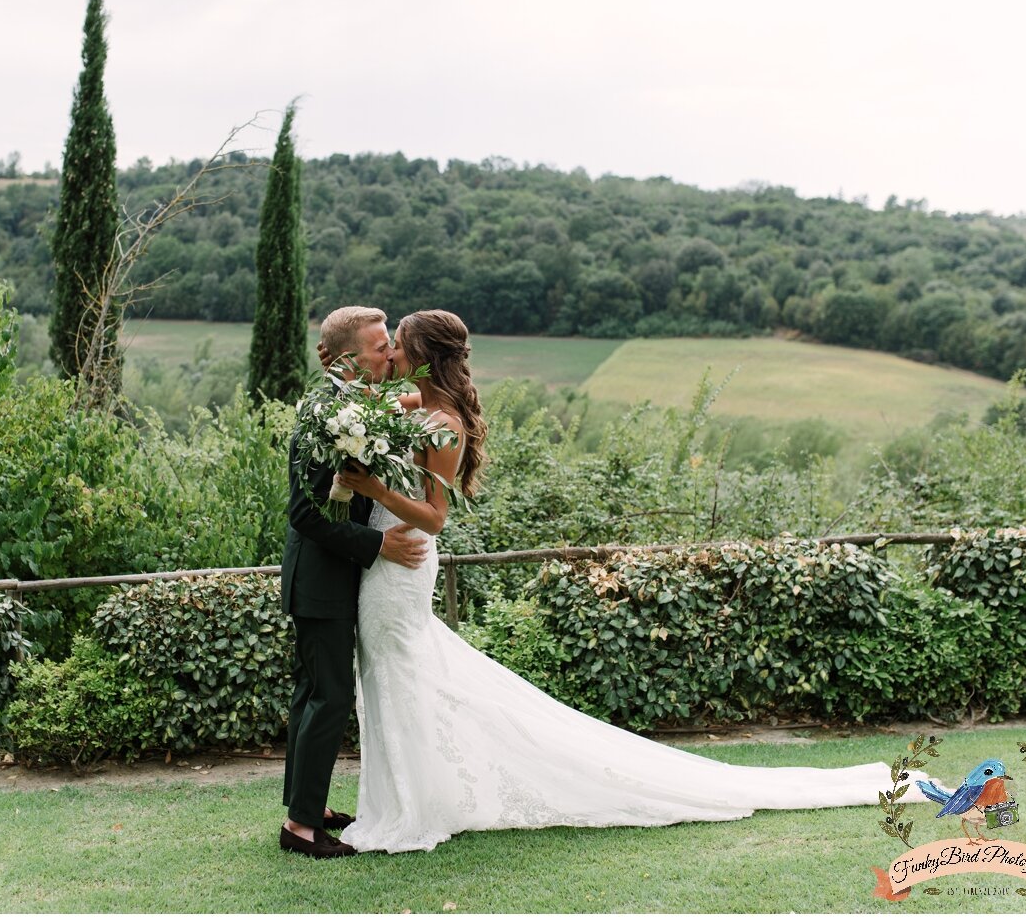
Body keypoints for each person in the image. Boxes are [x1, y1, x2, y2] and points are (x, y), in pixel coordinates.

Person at [328, 309, 941, 854]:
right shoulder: (415, 407)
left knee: (401, 675)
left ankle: (411, 811)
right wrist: (341, 406)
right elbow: (362, 412)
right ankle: (411, 799)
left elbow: (435, 517)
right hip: (385, 565)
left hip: (404, 562)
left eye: (399, 346)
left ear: (423, 356)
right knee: (394, 678)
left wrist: (374, 489)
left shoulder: (446, 425)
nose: (392, 356)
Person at [278, 305, 428, 859]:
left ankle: (307, 808)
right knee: (330, 696)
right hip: (321, 579)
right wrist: (378, 544)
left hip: (327, 577)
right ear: (347, 358)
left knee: (313, 694)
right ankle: (299, 829)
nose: (389, 352)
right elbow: (305, 513)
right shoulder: (326, 412)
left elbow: (405, 404)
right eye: (380, 344)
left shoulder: (347, 400)